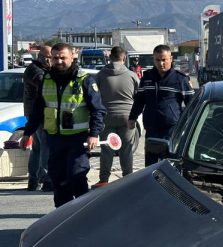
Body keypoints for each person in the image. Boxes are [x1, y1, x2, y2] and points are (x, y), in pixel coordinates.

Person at [21, 43, 106, 207]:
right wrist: (27, 132)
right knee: (58, 180)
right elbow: (37, 110)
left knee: (76, 175)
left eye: (63, 57)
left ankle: (83, 212)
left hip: (78, 140)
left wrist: (94, 134)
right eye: (55, 58)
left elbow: (98, 110)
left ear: (72, 57)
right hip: (55, 140)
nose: (58, 61)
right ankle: (63, 216)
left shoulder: (84, 80)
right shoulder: (46, 80)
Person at [129, 44, 195, 167]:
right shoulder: (147, 78)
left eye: (164, 60)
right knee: (150, 165)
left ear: (171, 59)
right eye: (157, 60)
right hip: (151, 127)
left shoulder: (180, 79)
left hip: (171, 128)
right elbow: (139, 100)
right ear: (153, 60)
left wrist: (188, 124)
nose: (161, 63)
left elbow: (191, 104)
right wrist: (132, 117)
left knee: (169, 164)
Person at [93, 46, 140, 188]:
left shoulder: (100, 75)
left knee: (106, 149)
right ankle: (128, 179)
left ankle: (103, 180)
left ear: (109, 57)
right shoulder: (132, 75)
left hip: (106, 117)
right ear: (124, 58)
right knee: (126, 149)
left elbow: (94, 96)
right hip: (127, 117)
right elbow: (138, 96)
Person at [22, 45, 54, 192]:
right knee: (44, 145)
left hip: (38, 112)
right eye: (50, 57)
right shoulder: (35, 70)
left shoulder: (38, 69)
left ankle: (34, 179)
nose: (52, 60)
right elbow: (45, 85)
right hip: (37, 113)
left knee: (37, 147)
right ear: (43, 58)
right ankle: (44, 178)